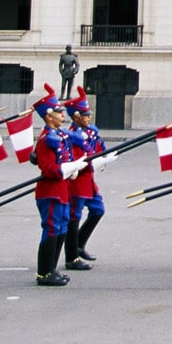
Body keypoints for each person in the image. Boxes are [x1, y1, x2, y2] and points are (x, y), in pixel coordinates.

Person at [32, 85, 84, 286]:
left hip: (61, 190)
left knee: (61, 229)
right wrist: (69, 168)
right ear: (48, 116)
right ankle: (44, 273)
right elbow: (48, 169)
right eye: (59, 112)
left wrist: (74, 167)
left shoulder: (60, 136)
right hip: (50, 192)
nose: (63, 115)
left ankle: (51, 269)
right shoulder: (47, 139)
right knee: (52, 229)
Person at [63, 88, 115, 271]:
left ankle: (79, 244)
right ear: (76, 117)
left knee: (98, 210)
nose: (88, 117)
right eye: (85, 115)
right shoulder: (71, 136)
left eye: (89, 114)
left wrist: (105, 156)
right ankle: (71, 257)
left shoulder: (90, 132)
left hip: (89, 182)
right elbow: (77, 161)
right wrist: (98, 162)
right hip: (77, 182)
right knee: (73, 217)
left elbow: (99, 149)